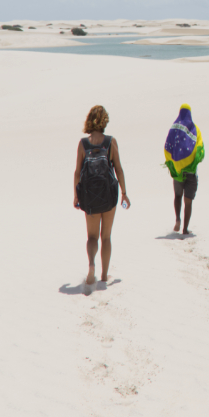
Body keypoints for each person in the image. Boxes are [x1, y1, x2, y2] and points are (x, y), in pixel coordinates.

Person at [74, 105, 130, 285]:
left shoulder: (83, 144)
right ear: (105, 120)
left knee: (91, 237)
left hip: (89, 198)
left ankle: (91, 264)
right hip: (108, 197)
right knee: (106, 237)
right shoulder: (111, 142)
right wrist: (124, 193)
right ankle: (105, 276)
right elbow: (119, 170)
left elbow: (77, 172)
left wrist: (76, 196)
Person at [164, 104, 204, 235]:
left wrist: (173, 164)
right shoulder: (195, 129)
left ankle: (177, 219)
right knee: (188, 201)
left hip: (178, 172)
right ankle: (185, 229)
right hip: (191, 173)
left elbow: (168, 145)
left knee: (177, 196)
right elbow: (200, 149)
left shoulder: (174, 128)